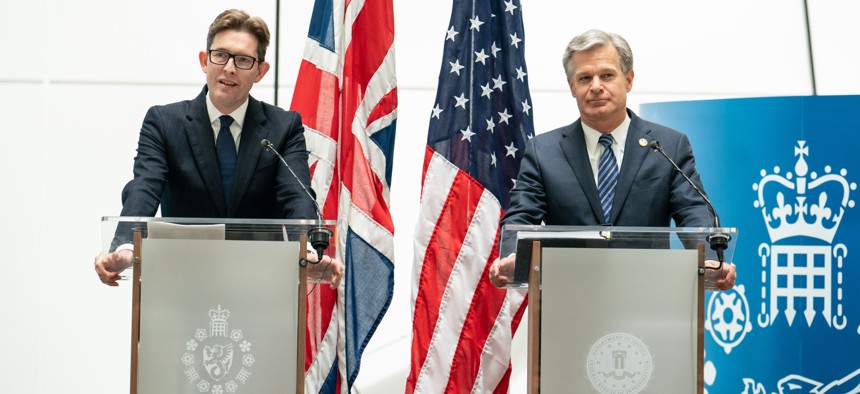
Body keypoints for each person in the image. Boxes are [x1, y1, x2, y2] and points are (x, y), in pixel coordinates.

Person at [94, 9, 341, 286]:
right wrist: (126, 247)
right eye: (221, 55)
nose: (229, 68)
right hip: (181, 283)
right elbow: (145, 187)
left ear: (260, 71)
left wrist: (306, 253)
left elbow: (297, 198)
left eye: (244, 60)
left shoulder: (283, 127)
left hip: (260, 284)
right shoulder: (164, 123)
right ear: (204, 60)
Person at [488, 29, 736, 290]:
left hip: (650, 294)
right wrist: (513, 257)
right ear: (572, 87)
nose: (596, 86)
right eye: (585, 78)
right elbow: (522, 215)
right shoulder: (544, 151)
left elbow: (693, 211)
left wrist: (710, 259)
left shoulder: (668, 146)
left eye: (607, 75)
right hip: (568, 295)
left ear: (628, 80)